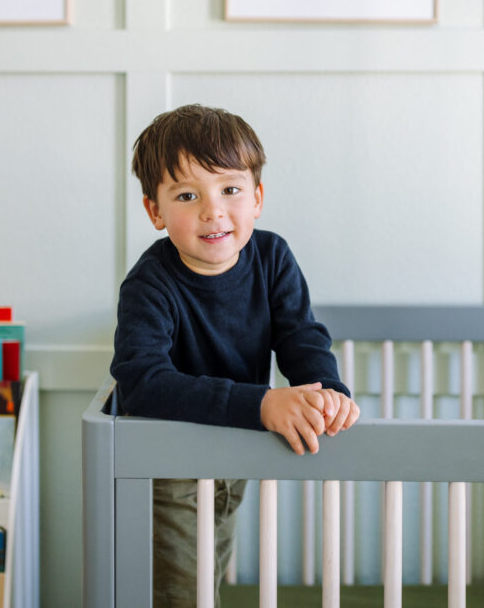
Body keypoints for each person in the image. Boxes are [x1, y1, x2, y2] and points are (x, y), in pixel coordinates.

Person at [111, 104, 360, 607]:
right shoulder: (150, 284)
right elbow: (141, 380)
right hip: (170, 464)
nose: (213, 210)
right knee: (185, 594)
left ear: (257, 197)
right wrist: (262, 404)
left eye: (230, 189)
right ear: (154, 211)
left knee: (212, 575)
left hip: (232, 457)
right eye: (187, 195)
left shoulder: (272, 258)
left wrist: (327, 391)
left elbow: (301, 337)